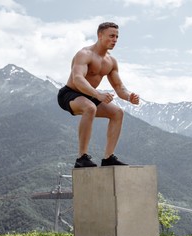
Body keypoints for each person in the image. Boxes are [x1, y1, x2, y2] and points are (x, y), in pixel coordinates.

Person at [57, 22, 139, 167]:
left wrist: (128, 97)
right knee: (90, 107)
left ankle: (108, 158)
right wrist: (97, 94)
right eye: (111, 36)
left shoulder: (111, 61)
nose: (115, 40)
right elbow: (78, 79)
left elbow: (119, 87)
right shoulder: (84, 54)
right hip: (69, 94)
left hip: (89, 95)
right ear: (100, 35)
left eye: (117, 37)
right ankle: (81, 158)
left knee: (117, 113)